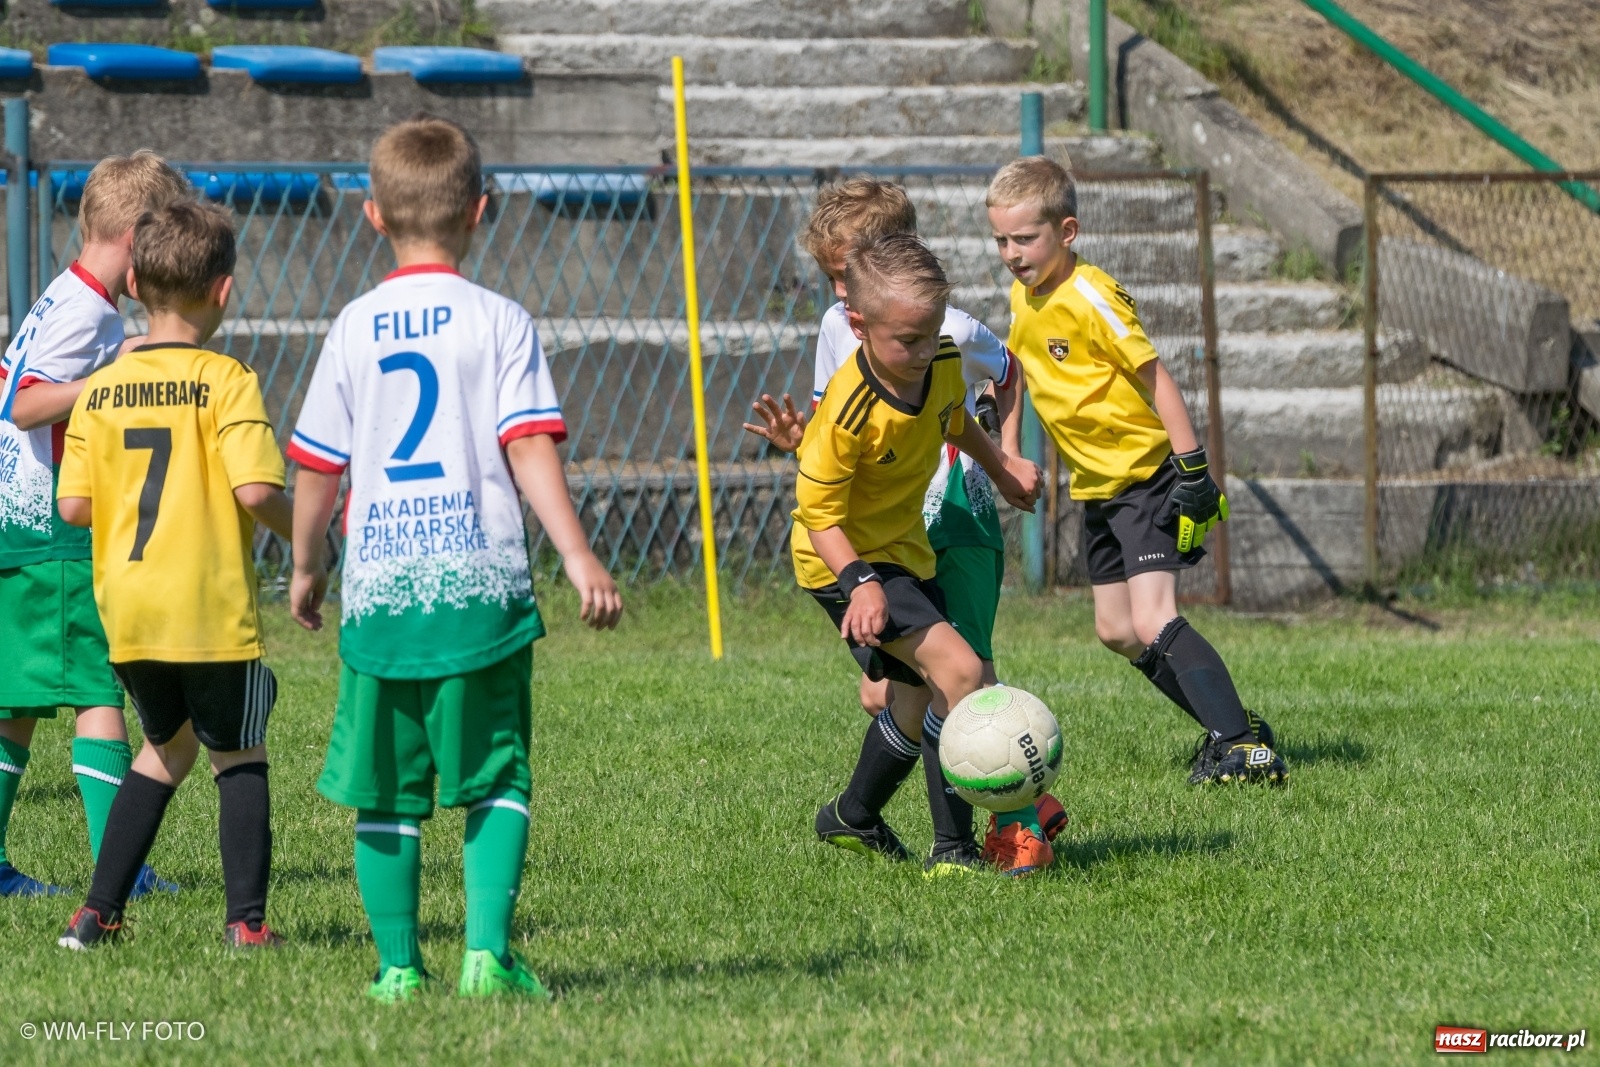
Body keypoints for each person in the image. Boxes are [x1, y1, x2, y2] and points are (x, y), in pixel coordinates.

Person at [287, 116, 623, 1004]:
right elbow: (528, 447)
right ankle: (486, 957)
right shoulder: (500, 320)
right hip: (478, 587)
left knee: (385, 792)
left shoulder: (354, 325)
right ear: (482, 210)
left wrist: (305, 561)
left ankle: (398, 968)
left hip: (383, 593)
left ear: (370, 215)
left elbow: (317, 463)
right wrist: (579, 555)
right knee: (497, 774)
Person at [746, 178, 1063, 877]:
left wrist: (1005, 467)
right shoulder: (852, 408)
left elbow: (954, 416)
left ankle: (852, 815)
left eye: (930, 335)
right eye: (907, 340)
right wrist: (859, 582)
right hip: (844, 558)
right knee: (962, 669)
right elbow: (819, 512)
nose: (922, 351)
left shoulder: (942, 358)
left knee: (916, 696)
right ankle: (956, 851)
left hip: (903, 550)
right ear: (858, 323)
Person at [986, 156, 1286, 784]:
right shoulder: (1022, 295)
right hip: (1098, 488)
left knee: (1153, 617)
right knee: (1117, 630)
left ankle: (1241, 747)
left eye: (1025, 238)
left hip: (1147, 476)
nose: (1012, 254)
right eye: (1001, 241)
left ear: (1067, 233)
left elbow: (1157, 379)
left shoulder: (1091, 294)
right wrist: (1009, 448)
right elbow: (1012, 370)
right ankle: (1233, 727)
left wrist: (1193, 469)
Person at [55, 200, 293, 950]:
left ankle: (94, 913)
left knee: (167, 748)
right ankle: (247, 924)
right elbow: (256, 491)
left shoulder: (99, 388)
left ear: (132, 281)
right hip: (208, 612)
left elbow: (72, 504)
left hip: (129, 615)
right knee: (238, 752)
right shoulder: (226, 380)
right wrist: (312, 534)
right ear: (224, 290)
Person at [0, 152, 189, 898]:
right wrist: (117, 371)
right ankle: (125, 870)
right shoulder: (90, 312)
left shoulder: (61, 296)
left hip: (20, 527)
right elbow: (29, 403)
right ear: (136, 235)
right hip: (55, 535)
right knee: (97, 694)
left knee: (14, 704)